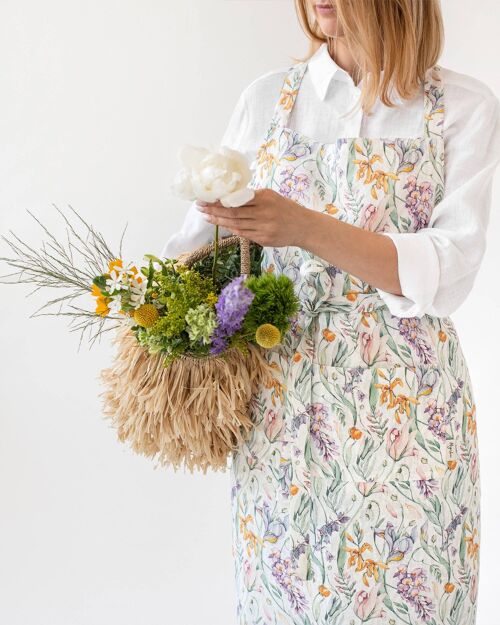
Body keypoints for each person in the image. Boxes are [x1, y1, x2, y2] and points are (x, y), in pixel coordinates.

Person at [162, 1, 500, 623]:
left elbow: (447, 271)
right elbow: (195, 250)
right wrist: (159, 304)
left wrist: (304, 228)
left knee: (413, 595)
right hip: (284, 402)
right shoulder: (268, 100)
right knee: (286, 595)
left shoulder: (461, 106)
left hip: (409, 406)